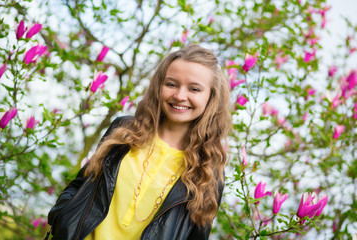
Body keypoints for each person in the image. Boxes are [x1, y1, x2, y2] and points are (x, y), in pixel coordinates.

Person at [46, 44, 231, 240]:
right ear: (159, 85)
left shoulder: (208, 171)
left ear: (211, 97)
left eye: (194, 89)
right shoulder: (124, 130)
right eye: (171, 84)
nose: (179, 96)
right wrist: (61, 218)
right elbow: (81, 185)